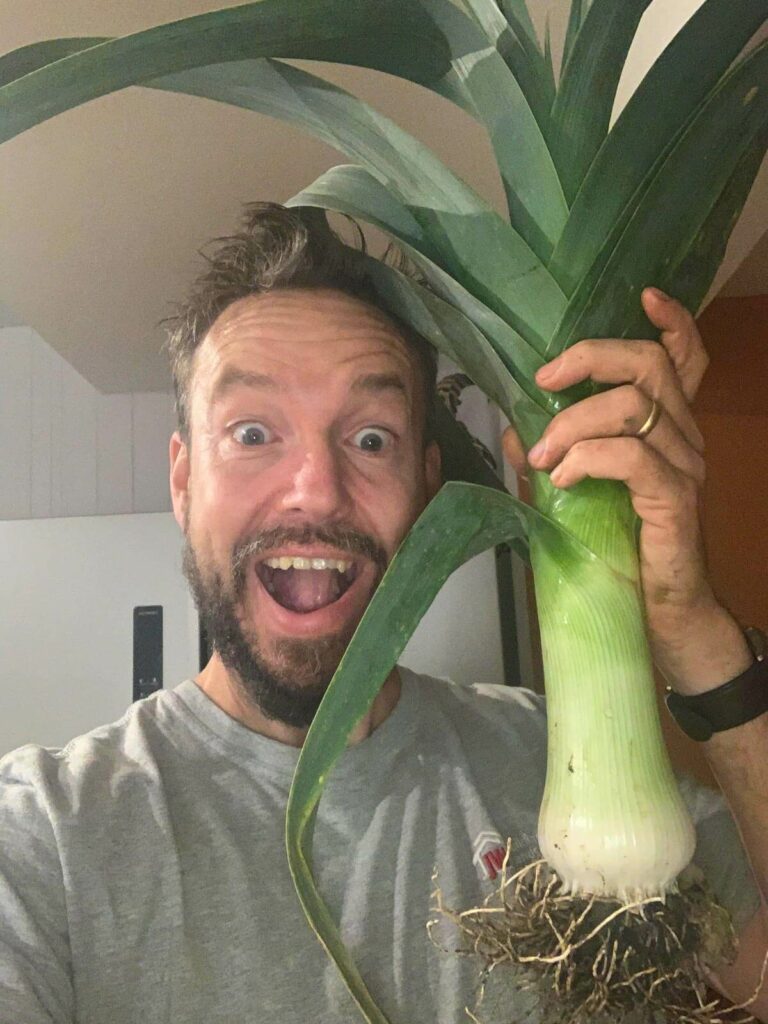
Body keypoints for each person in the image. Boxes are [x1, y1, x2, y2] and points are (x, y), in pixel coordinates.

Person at [0, 203, 766, 1024]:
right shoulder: (46, 836)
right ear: (183, 484)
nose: (317, 490)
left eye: (371, 440)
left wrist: (693, 631)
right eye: (254, 432)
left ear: (428, 489)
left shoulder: (552, 752)